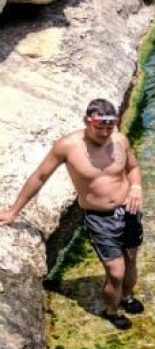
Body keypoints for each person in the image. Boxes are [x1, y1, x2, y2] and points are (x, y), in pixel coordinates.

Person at [0, 99, 144, 330]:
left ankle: (126, 297)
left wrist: (136, 187)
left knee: (131, 260)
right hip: (99, 218)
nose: (105, 132)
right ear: (87, 121)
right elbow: (39, 177)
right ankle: (112, 311)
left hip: (129, 211)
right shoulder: (67, 146)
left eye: (110, 126)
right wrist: (14, 211)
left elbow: (133, 169)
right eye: (100, 126)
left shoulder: (120, 140)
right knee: (116, 273)